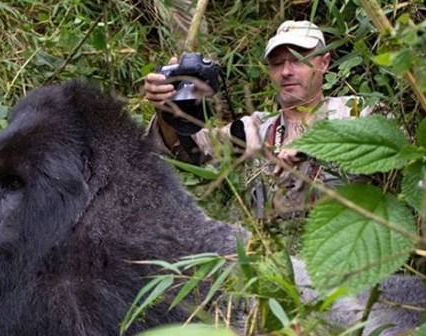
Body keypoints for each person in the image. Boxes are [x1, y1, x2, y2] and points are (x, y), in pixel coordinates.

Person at [143, 20, 374, 219]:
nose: (286, 71)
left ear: (324, 62)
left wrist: (312, 146)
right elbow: (188, 152)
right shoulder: (253, 128)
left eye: (297, 59)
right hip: (274, 261)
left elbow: (394, 142)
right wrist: (167, 109)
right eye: (277, 63)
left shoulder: (356, 110)